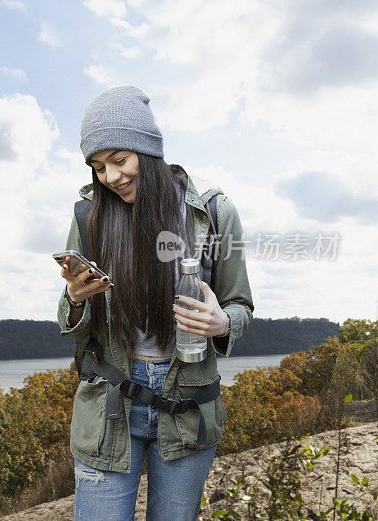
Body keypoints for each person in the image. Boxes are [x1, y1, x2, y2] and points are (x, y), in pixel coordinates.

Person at [57, 86, 254, 520]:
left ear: (148, 151)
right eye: (98, 166)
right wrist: (75, 298)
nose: (110, 177)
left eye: (119, 160)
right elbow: (69, 319)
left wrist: (222, 324)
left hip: (187, 405)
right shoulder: (88, 215)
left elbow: (240, 305)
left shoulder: (213, 211)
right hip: (108, 405)